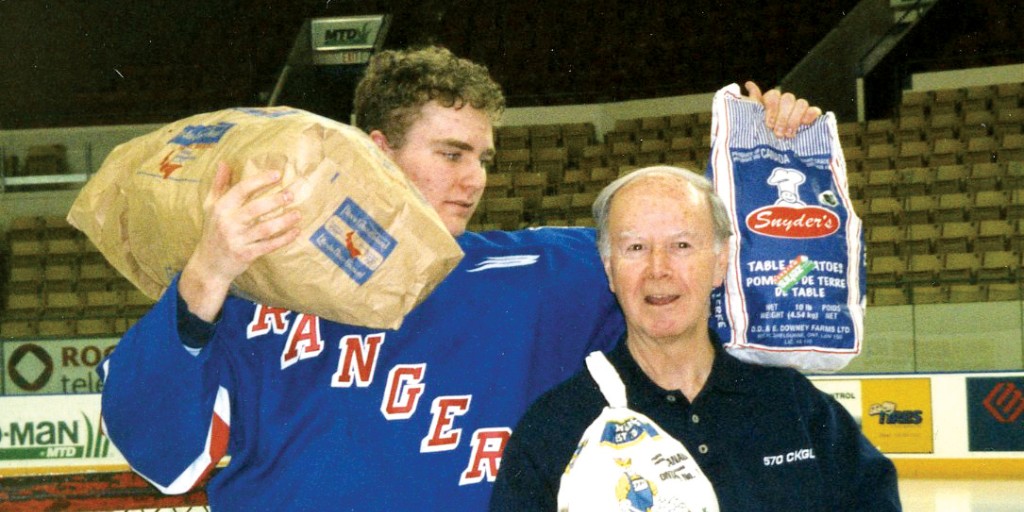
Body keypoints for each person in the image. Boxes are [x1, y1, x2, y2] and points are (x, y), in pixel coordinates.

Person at [97, 46, 821, 511]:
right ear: (375, 154)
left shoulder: (542, 274)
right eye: (451, 154)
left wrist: (767, 162)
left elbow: (700, 259)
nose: (474, 180)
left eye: (484, 158)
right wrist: (210, 270)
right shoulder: (260, 285)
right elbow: (164, 455)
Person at [489, 166, 901, 511]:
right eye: (635, 247)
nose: (658, 268)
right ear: (610, 270)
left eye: (682, 245)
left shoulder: (795, 407)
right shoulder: (557, 425)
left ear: (721, 262)